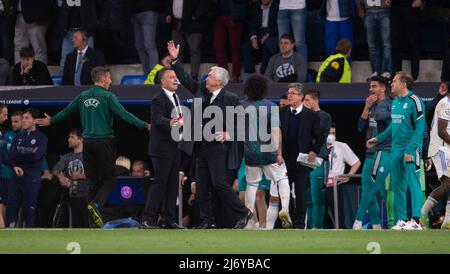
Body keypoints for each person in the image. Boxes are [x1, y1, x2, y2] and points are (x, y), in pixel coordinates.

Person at [37, 66, 150, 228]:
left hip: (87, 143)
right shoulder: (108, 96)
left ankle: (92, 222)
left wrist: (52, 120)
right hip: (104, 142)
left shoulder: (83, 96)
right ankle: (96, 204)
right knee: (110, 179)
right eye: (109, 78)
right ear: (103, 79)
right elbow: (125, 115)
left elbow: (67, 111)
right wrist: (145, 125)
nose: (111, 81)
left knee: (92, 181)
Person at [168, 40, 252, 229]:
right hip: (200, 147)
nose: (207, 77)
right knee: (203, 186)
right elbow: (185, 79)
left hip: (217, 148)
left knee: (220, 183)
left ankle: (243, 212)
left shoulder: (229, 98)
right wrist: (175, 60)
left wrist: (229, 133)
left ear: (219, 81)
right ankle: (208, 220)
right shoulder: (201, 91)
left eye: (210, 75)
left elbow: (244, 122)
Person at [367, 71, 426, 230]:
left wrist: (411, 149)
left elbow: (420, 129)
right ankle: (401, 220)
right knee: (397, 184)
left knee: (414, 183)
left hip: (411, 148)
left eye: (394, 81)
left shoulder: (415, 101)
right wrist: (378, 138)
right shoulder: (395, 103)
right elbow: (394, 126)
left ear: (404, 84)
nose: (391, 84)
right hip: (396, 149)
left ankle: (416, 221)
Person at [241, 74, 292, 229]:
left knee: (251, 185)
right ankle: (285, 209)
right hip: (269, 152)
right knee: (282, 178)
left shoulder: (241, 106)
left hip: (250, 153)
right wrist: (278, 153)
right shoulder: (271, 106)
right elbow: (276, 131)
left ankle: (250, 217)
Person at [141, 68, 184, 229]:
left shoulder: (177, 97)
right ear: (162, 81)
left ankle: (168, 219)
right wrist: (170, 122)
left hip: (174, 147)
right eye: (171, 77)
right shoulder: (158, 99)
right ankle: (147, 218)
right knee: (160, 182)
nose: (175, 80)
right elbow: (157, 119)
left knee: (173, 184)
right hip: (161, 148)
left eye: (176, 77)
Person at [280, 83, 324, 228]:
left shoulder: (311, 115)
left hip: (301, 161)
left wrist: (313, 150)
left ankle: (299, 224)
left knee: (301, 193)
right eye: (288, 93)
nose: (289, 95)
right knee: (284, 192)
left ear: (301, 96)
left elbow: (319, 136)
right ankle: (288, 221)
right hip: (283, 160)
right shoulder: (281, 112)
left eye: (292, 93)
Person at [353, 75, 392, 230]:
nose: (371, 89)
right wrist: (366, 107)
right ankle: (376, 227)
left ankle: (358, 221)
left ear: (382, 88)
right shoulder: (371, 106)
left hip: (384, 153)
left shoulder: (390, 105)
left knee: (376, 190)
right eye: (370, 87)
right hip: (369, 154)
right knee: (368, 191)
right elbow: (360, 128)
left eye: (374, 86)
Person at [7, 108, 46, 228]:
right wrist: (28, 154)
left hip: (32, 178)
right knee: (12, 206)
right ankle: (10, 231)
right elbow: (11, 156)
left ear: (35, 121)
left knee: (29, 208)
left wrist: (22, 155)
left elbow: (36, 157)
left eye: (27, 118)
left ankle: (27, 233)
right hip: (17, 177)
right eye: (23, 118)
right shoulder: (18, 137)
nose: (23, 121)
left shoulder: (41, 138)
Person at [421, 85, 450, 229]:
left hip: (447, 147)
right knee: (447, 183)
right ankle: (421, 216)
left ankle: (447, 222)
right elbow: (442, 131)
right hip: (441, 148)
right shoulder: (445, 104)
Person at [303, 89, 332, 228]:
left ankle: (318, 227)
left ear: (315, 101)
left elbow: (316, 133)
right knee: (308, 199)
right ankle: (310, 227)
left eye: (307, 100)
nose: (305, 103)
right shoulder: (304, 116)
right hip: (304, 160)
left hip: (319, 160)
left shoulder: (324, 116)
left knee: (317, 198)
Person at [52, 128, 89, 228]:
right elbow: (55, 169)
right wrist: (61, 177)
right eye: (69, 137)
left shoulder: (88, 156)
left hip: (87, 196)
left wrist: (80, 176)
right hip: (71, 196)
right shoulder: (66, 157)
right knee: (74, 225)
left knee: (87, 224)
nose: (69, 139)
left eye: (72, 137)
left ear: (80, 139)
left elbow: (97, 174)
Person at [165, 0, 210, 80]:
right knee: (176, 52)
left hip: (193, 23)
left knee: (194, 50)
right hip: (176, 22)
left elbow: (204, 3)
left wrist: (196, 14)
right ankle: (178, 75)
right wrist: (169, 13)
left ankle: (194, 76)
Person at [213, 0, 248, 83]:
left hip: (234, 16)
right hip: (219, 16)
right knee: (218, 46)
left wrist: (237, 16)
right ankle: (223, 75)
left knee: (235, 47)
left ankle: (235, 75)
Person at [57, 0, 97, 73]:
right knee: (64, 64)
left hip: (85, 33)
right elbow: (61, 9)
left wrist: (92, 27)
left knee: (88, 63)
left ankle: (87, 84)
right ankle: (64, 84)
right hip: (69, 33)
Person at [356, 0, 392, 80]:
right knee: (372, 45)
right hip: (369, 12)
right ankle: (375, 71)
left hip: (384, 11)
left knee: (386, 44)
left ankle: (386, 71)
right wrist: (359, 8)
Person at [0, 105, 23, 228]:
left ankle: (6, 229)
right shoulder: (5, 134)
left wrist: (13, 166)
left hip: (7, 176)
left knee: (5, 204)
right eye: (4, 114)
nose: (6, 118)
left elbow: (2, 154)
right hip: (4, 176)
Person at [242, 0, 279, 76]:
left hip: (272, 34)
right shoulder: (258, 7)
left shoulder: (276, 6)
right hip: (259, 33)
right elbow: (253, 25)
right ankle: (249, 74)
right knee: (246, 47)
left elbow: (278, 26)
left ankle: (264, 73)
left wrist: (268, 35)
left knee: (267, 45)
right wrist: (253, 38)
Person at [390, 0, 422, 81]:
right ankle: (396, 75)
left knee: (413, 41)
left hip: (411, 7)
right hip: (395, 7)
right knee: (395, 42)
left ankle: (414, 76)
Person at [131, 0, 162, 74]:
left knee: (150, 46)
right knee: (139, 46)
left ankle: (154, 76)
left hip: (149, 10)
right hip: (136, 12)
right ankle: (147, 74)